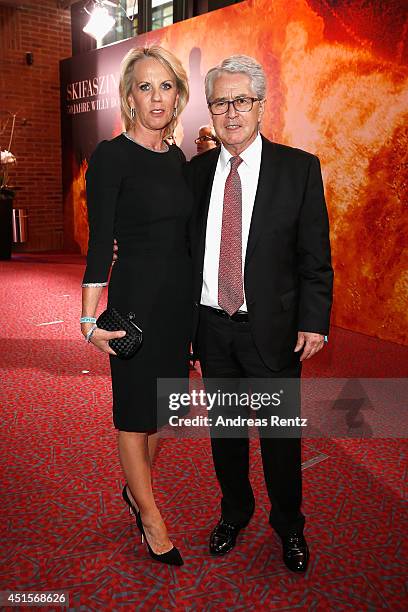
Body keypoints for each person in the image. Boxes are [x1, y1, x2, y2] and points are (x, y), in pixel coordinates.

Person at [186, 55, 333, 573]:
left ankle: (289, 525)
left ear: (261, 106)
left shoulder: (299, 169)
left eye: (241, 100)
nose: (231, 113)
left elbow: (315, 257)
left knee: (279, 442)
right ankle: (235, 512)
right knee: (225, 435)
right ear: (211, 109)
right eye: (221, 102)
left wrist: (314, 319)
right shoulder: (196, 173)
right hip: (212, 330)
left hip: (272, 333)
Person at [80, 46, 192, 567]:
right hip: (134, 307)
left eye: (165, 86)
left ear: (178, 96)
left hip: (177, 307)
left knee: (159, 415)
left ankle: (135, 491)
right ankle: (150, 517)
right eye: (145, 86)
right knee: (132, 415)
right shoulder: (110, 156)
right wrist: (87, 318)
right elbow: (102, 240)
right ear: (128, 96)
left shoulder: (178, 159)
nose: (156, 96)